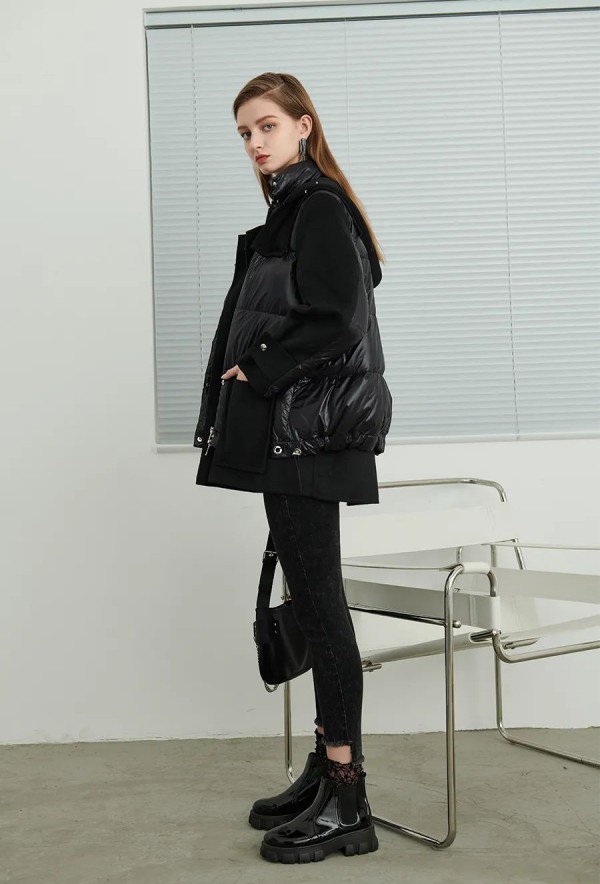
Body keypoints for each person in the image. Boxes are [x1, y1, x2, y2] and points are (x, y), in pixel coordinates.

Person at [193, 72, 393, 864]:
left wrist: (260, 365)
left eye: (267, 125)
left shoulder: (316, 206)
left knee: (322, 609)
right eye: (244, 132)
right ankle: (325, 769)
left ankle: (348, 800)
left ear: (304, 125)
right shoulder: (294, 208)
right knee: (310, 607)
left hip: (309, 438)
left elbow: (336, 317)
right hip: (298, 438)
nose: (255, 142)